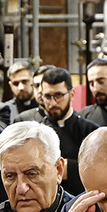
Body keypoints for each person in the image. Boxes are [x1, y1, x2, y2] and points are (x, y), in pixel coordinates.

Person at [34, 67, 99, 196]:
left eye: (58, 95)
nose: (52, 103)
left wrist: (71, 168)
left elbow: (99, 172)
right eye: (47, 96)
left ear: (72, 94)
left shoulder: (91, 131)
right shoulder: (36, 133)